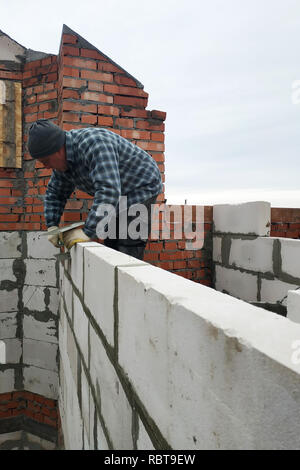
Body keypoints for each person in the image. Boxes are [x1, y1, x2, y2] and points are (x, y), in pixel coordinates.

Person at [27, 119, 163, 260]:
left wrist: (87, 232)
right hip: (120, 190)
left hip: (142, 185)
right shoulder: (62, 165)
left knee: (127, 243)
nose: (46, 167)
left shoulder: (94, 143)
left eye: (46, 161)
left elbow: (109, 191)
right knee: (111, 241)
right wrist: (52, 226)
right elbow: (55, 194)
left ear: (58, 149)